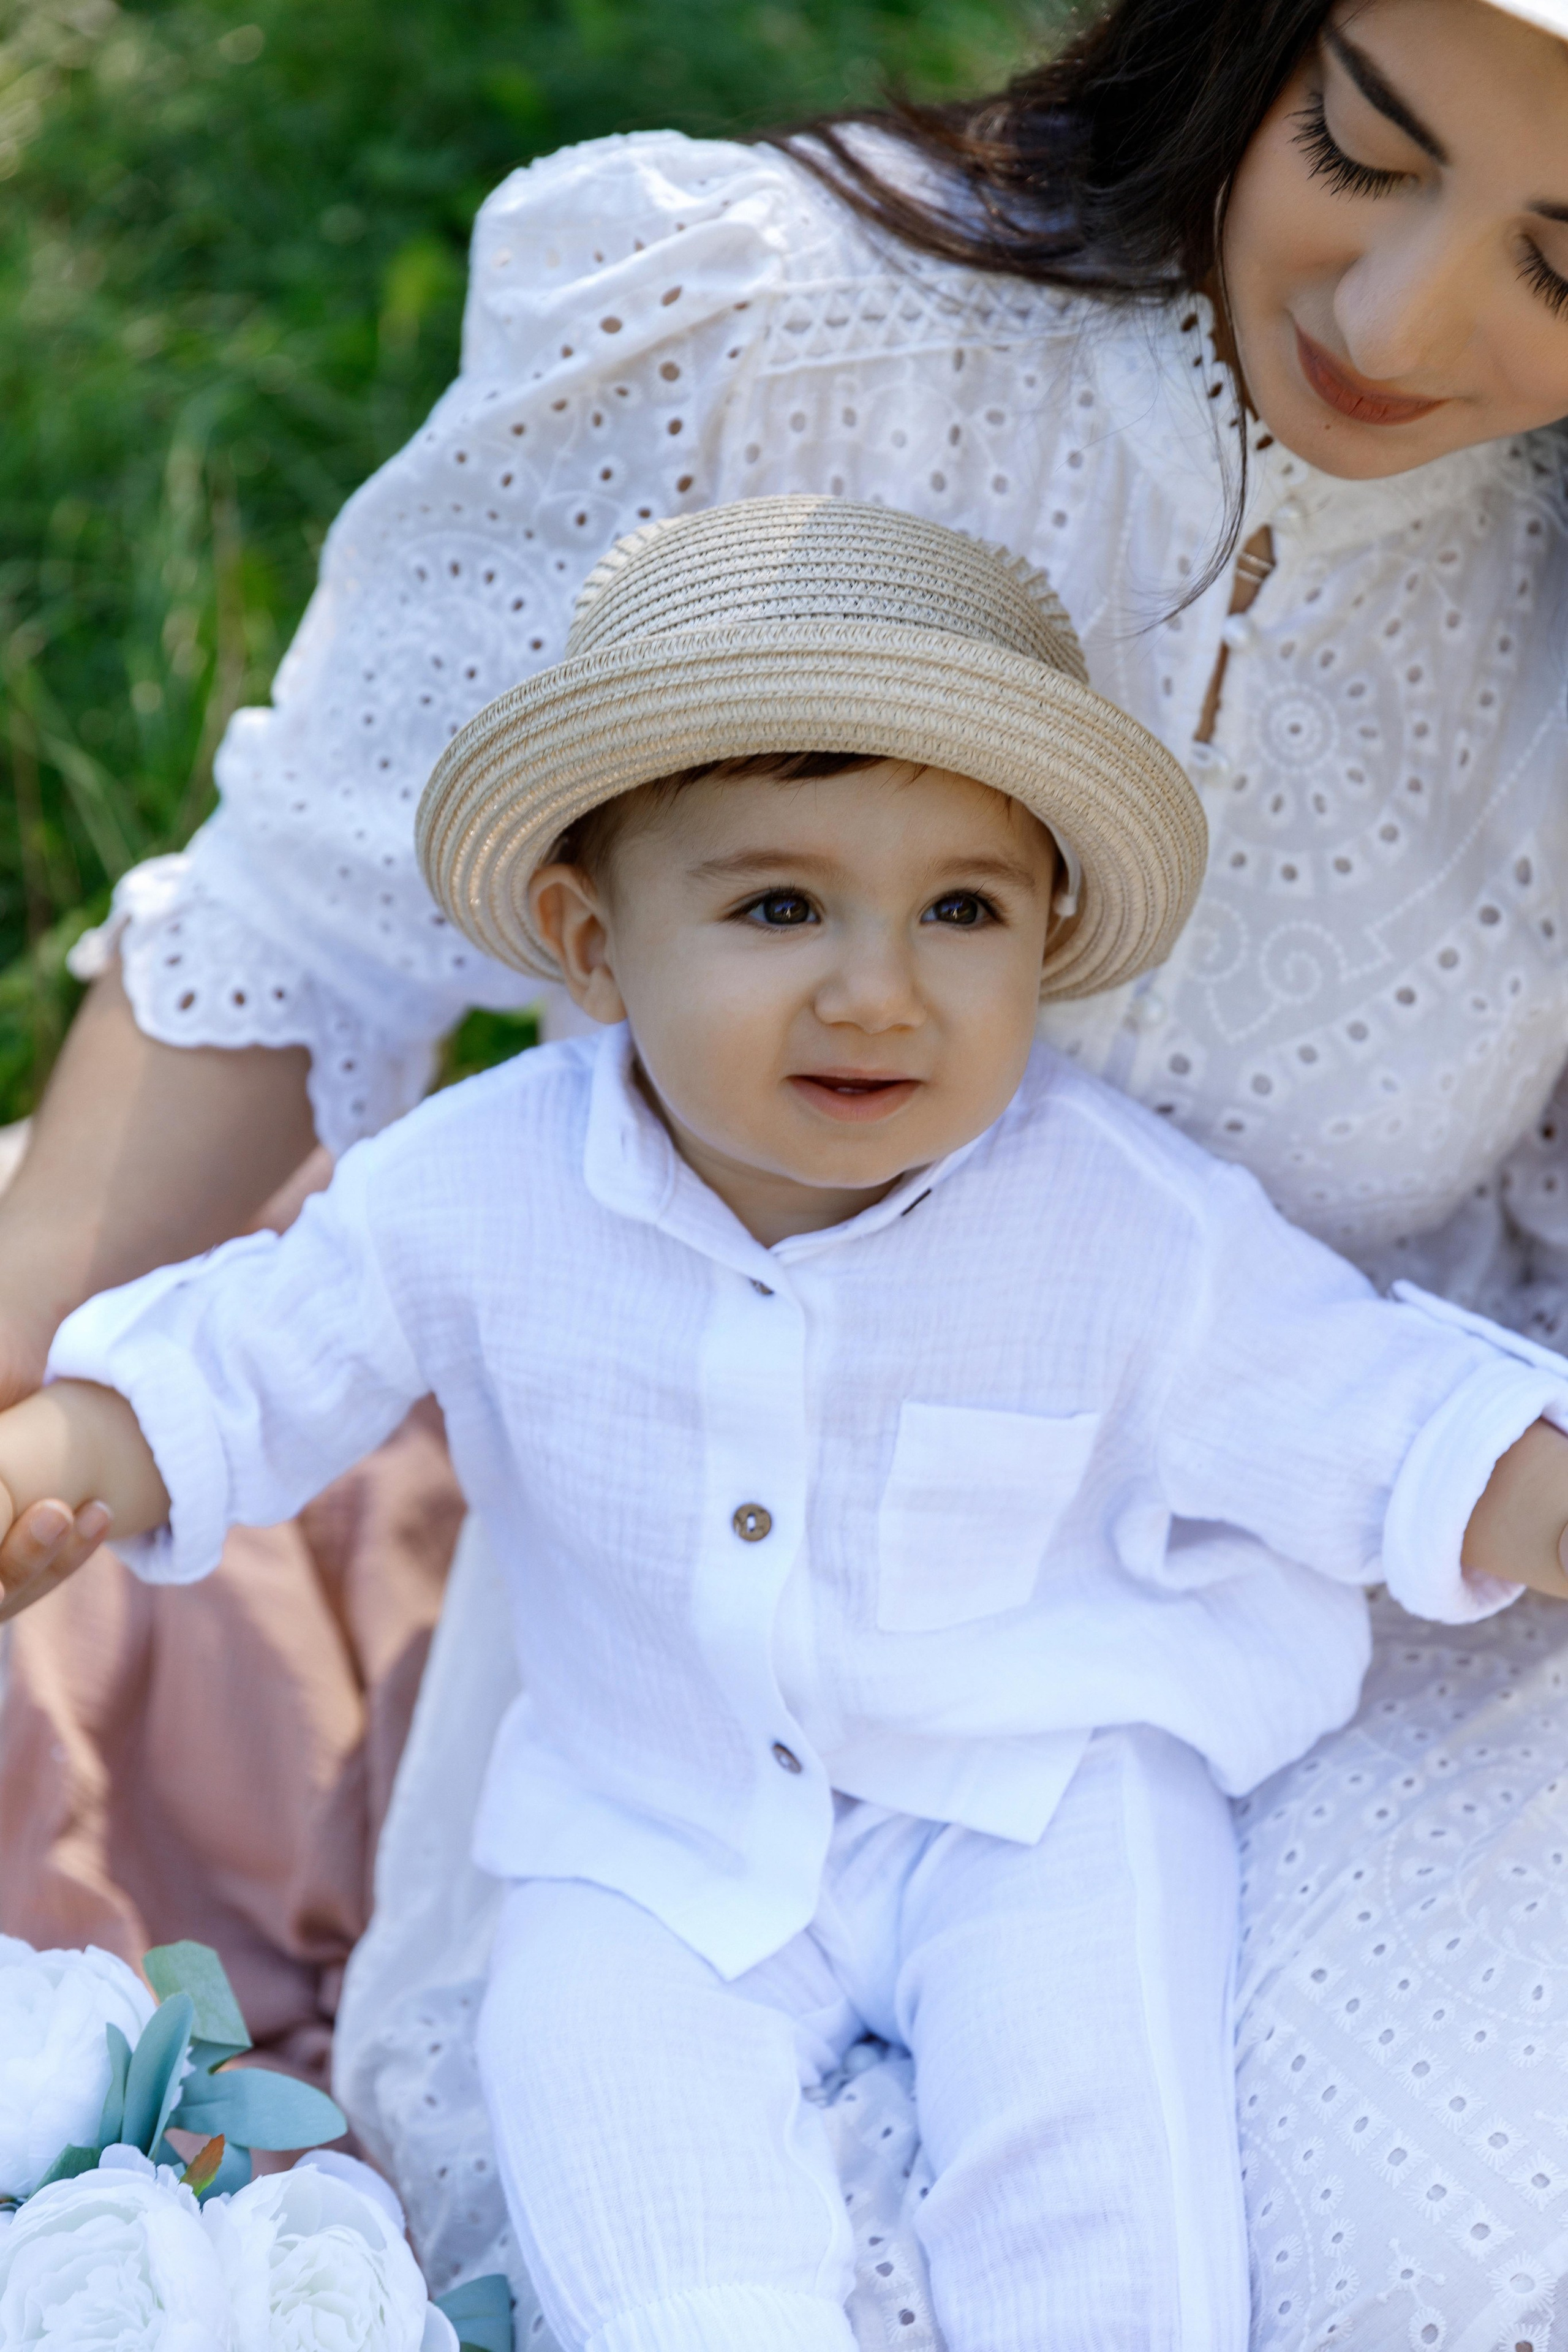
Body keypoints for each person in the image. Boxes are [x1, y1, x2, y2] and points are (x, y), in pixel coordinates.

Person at [4, 0, 1568, 2336]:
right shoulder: (752, 322)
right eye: (1357, 148)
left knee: (1359, 2245)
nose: (1396, 320)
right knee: (658, 2220)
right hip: (666, 1727)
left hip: (1239, 1678)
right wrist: (42, 1430)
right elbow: (290, 977)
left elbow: (1375, 1405)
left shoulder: (1138, 1244)